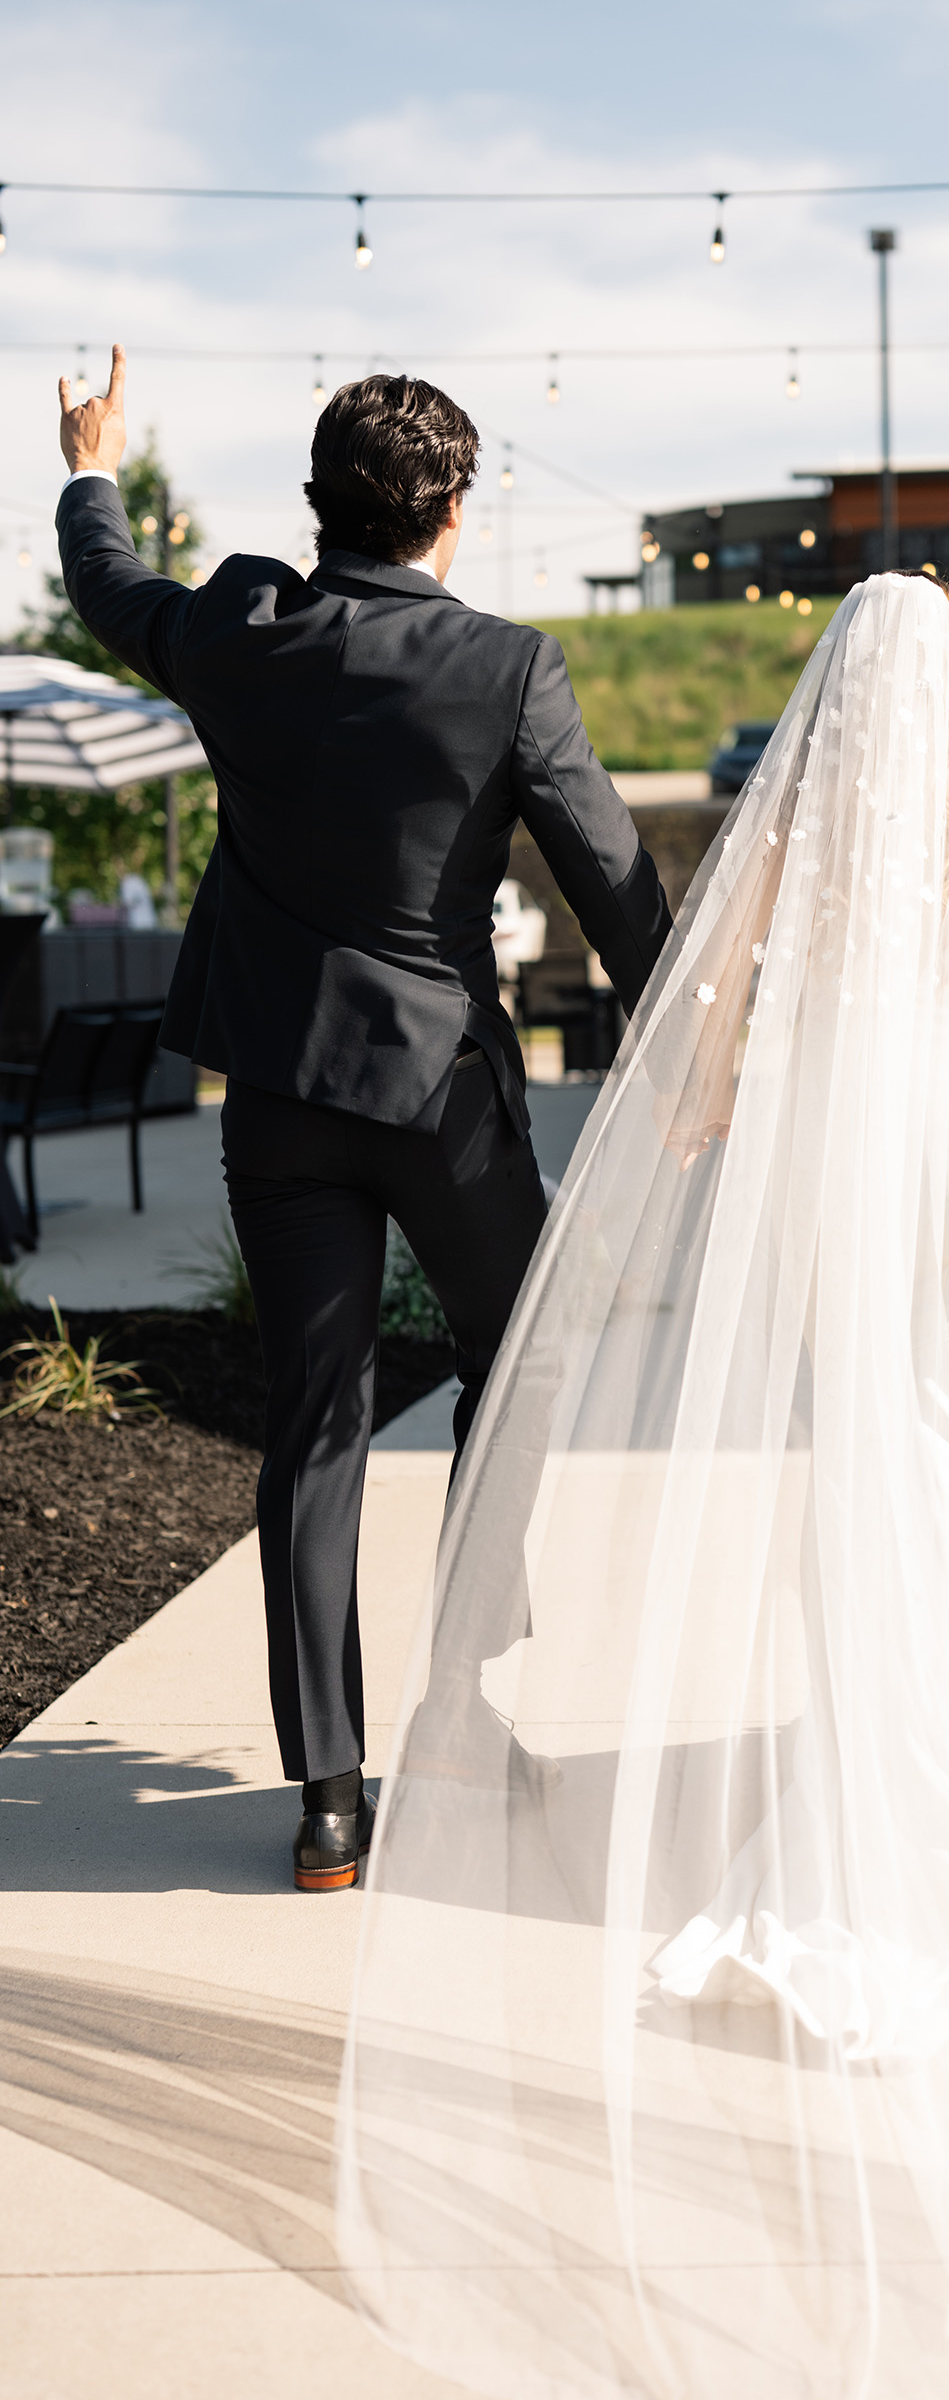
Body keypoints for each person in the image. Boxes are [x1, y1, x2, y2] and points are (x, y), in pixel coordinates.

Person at [339, 572, 949, 2398]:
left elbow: (712, 1055)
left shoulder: (796, 828)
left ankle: (855, 1812)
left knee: (853, 1491)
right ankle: (932, 1801)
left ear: (834, 687)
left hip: (847, 1197)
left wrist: (712, 1101)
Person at [54, 349, 672, 1892]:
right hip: (443, 1105)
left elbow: (109, 586)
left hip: (276, 1100)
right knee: (516, 1380)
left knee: (311, 1428)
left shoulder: (241, 627)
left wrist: (91, 463)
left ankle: (329, 1805)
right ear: (454, 507)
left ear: (321, 503)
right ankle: (461, 1720)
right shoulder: (511, 670)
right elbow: (621, 894)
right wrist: (693, 1049)